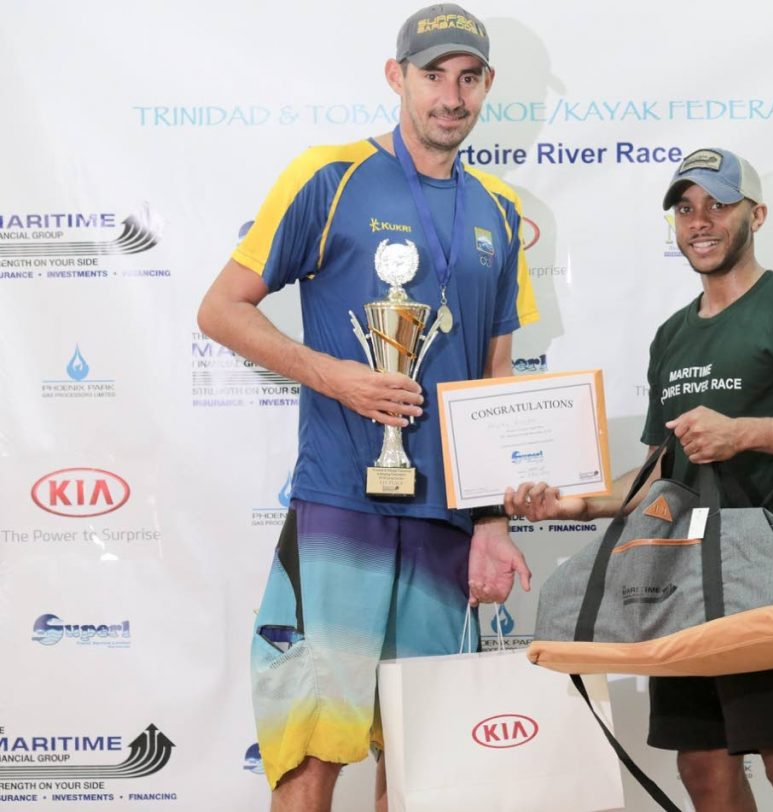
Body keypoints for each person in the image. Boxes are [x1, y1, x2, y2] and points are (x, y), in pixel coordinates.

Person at [197, 5, 537, 810]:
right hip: (342, 502)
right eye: (433, 76)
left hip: (446, 521)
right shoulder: (330, 175)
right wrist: (337, 377)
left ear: (487, 86)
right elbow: (220, 309)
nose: (450, 97)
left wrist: (492, 518)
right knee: (314, 752)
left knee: (424, 758)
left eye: (467, 78)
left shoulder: (497, 212)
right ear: (397, 78)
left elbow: (494, 372)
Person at [505, 147, 773, 812]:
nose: (700, 221)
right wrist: (574, 502)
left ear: (757, 214)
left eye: (718, 204)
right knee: (703, 766)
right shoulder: (673, 335)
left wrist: (745, 431)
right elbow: (660, 471)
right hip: (683, 579)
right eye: (685, 208)